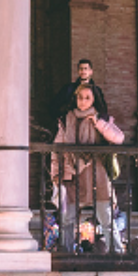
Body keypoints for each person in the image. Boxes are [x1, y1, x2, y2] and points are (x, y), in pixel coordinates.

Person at [52, 84, 126, 253]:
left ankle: (117, 253)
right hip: (72, 174)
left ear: (94, 100)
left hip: (97, 174)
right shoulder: (66, 119)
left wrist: (99, 123)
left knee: (106, 218)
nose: (83, 101)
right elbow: (57, 150)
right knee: (68, 219)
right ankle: (67, 254)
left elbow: (118, 138)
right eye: (80, 97)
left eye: (87, 98)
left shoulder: (102, 118)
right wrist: (56, 174)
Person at [51, 58, 109, 130]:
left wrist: (96, 118)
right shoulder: (68, 88)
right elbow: (55, 106)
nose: (83, 71)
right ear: (78, 71)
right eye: (81, 69)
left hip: (90, 126)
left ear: (91, 72)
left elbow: (103, 111)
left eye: (86, 69)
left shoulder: (96, 90)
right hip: (72, 125)